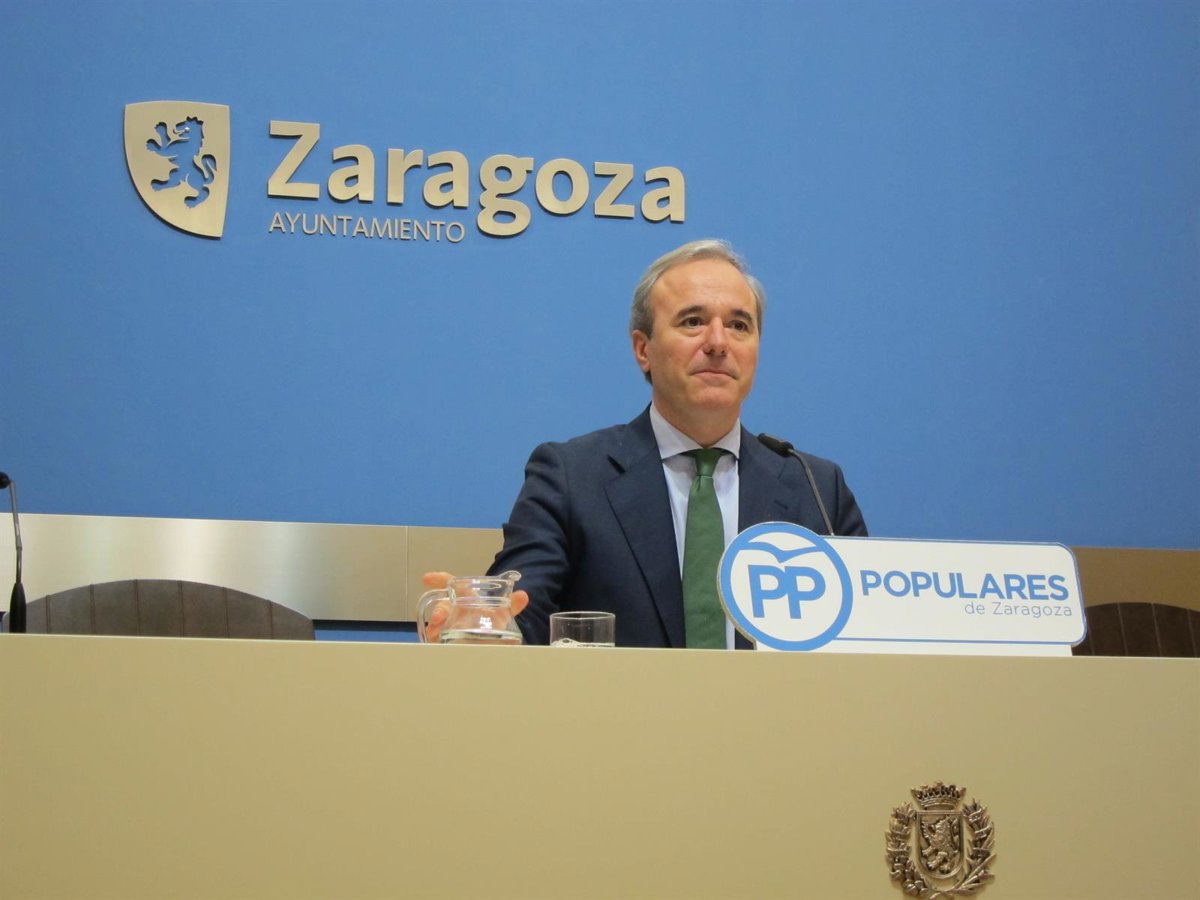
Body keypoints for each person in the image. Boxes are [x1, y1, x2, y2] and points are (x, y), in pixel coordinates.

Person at [424, 239, 866, 648]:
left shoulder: (817, 489)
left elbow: (869, 636)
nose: (718, 342)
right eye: (693, 322)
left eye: (738, 325)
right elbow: (526, 607)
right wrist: (488, 625)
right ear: (643, 349)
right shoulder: (571, 477)